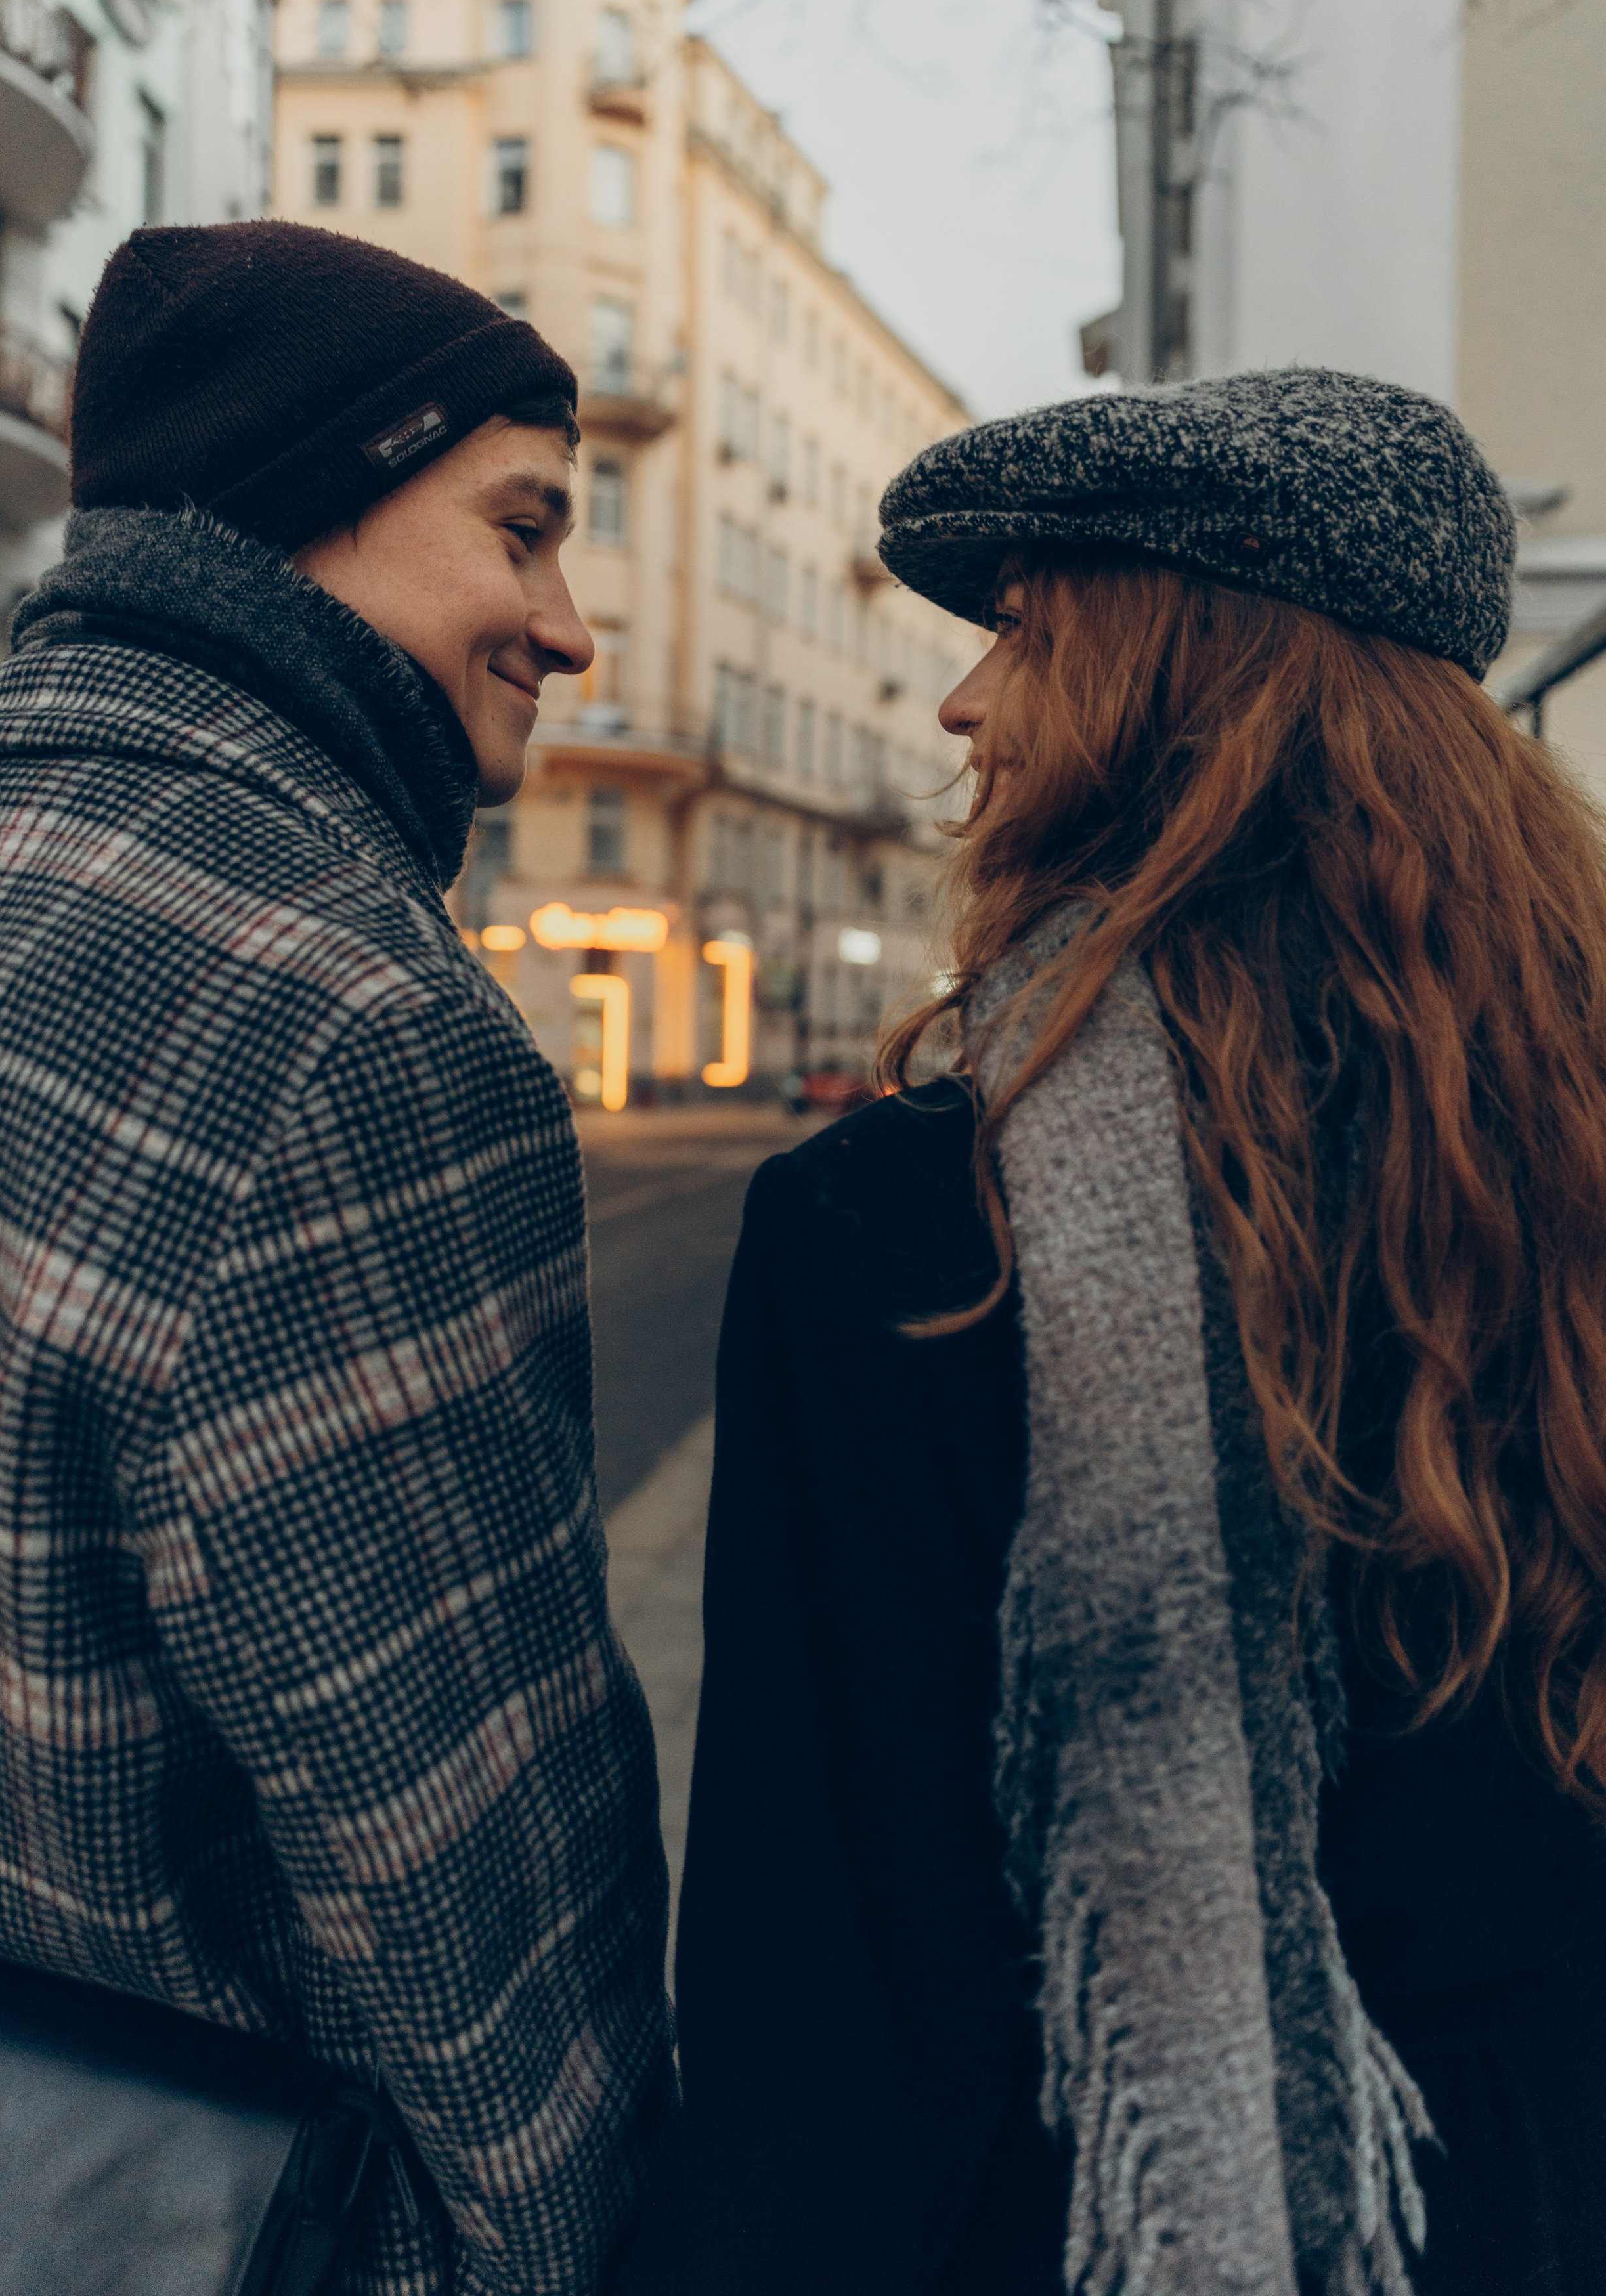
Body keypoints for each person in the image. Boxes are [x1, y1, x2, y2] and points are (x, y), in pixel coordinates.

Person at [634, 369, 1606, 2295]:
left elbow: (826, 1966)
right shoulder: (1567, 1163)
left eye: (1021, 632)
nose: (962, 704)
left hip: (1092, 2221)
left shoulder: (913, 1231)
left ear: (1179, 689)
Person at [0, 222, 674, 2295]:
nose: (567, 626)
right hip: (227, 2224)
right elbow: (460, 1864)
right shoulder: (353, 1020)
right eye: (521, 529)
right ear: (306, 496)